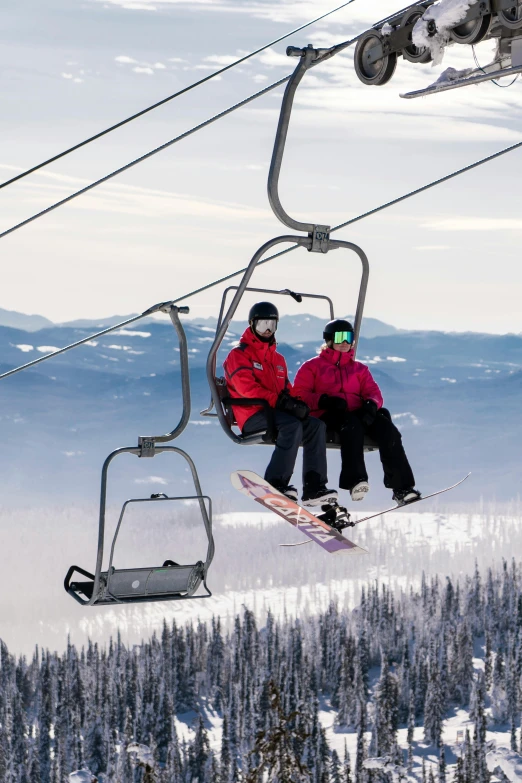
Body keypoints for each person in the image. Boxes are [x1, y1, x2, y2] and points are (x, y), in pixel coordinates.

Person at [223, 301, 338, 511]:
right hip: (253, 416)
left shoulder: (278, 360)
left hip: (275, 414)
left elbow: (287, 388)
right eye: (262, 325)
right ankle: (276, 482)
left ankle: (314, 487)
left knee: (315, 426)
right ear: (252, 325)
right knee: (292, 425)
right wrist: (281, 402)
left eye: (272, 325)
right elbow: (246, 389)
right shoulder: (238, 355)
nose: (267, 330)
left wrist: (298, 404)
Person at [292, 318, 421, 505]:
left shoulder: (359, 369)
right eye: (340, 337)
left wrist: (370, 405)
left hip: (357, 412)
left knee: (388, 430)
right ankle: (356, 480)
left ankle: (402, 488)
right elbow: (300, 395)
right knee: (351, 426)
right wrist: (324, 400)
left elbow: (374, 392)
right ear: (329, 340)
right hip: (329, 413)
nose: (345, 342)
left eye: (349, 337)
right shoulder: (312, 367)